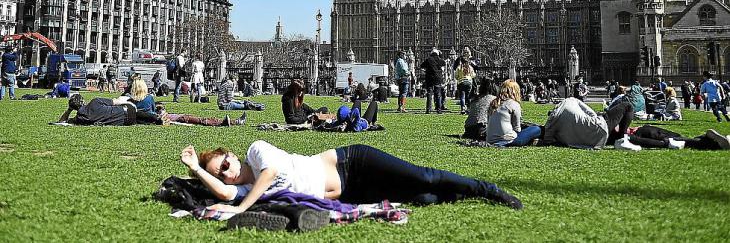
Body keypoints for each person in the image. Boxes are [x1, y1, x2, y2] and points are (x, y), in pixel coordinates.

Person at [178, 141, 523, 217]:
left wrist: (242, 210)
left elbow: (268, 175)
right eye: (220, 172)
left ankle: (487, 189)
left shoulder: (257, 152)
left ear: (232, 154)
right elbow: (226, 194)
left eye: (225, 163)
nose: (227, 171)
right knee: (421, 197)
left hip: (353, 163)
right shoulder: (243, 187)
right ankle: (462, 195)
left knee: (425, 177)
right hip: (351, 193)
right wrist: (196, 170)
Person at [543, 97, 634, 149]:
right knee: (627, 106)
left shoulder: (551, 124)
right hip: (599, 126)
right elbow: (590, 112)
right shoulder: (569, 101)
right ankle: (622, 138)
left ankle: (623, 138)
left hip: (593, 142)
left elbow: (548, 140)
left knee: (615, 136)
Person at [486, 80, 541, 147]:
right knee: (536, 129)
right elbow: (517, 129)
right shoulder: (514, 104)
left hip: (490, 139)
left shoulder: (493, 103)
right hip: (508, 141)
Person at [57, 94, 159, 126]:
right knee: (135, 112)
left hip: (125, 122)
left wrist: (69, 109)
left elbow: (62, 121)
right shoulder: (95, 102)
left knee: (136, 120)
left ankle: (155, 119)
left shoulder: (80, 119)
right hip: (128, 110)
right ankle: (156, 117)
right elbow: (116, 101)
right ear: (83, 101)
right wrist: (128, 100)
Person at [625, 125, 730, 151]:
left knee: (681, 141)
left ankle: (715, 143)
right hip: (645, 129)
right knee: (682, 139)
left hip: (639, 132)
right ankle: (708, 138)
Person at [420, 48, 446, 114]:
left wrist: (427, 69)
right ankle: (439, 109)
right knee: (438, 94)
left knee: (429, 93)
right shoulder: (440, 59)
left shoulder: (428, 59)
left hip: (429, 78)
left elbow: (422, 65)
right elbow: (444, 63)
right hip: (438, 78)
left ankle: (428, 109)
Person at [454, 47, 476, 114]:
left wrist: (459, 78)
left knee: (462, 96)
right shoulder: (470, 67)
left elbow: (456, 75)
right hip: (469, 82)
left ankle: (463, 108)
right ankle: (468, 108)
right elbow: (473, 75)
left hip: (461, 82)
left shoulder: (459, 67)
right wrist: (469, 77)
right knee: (468, 96)